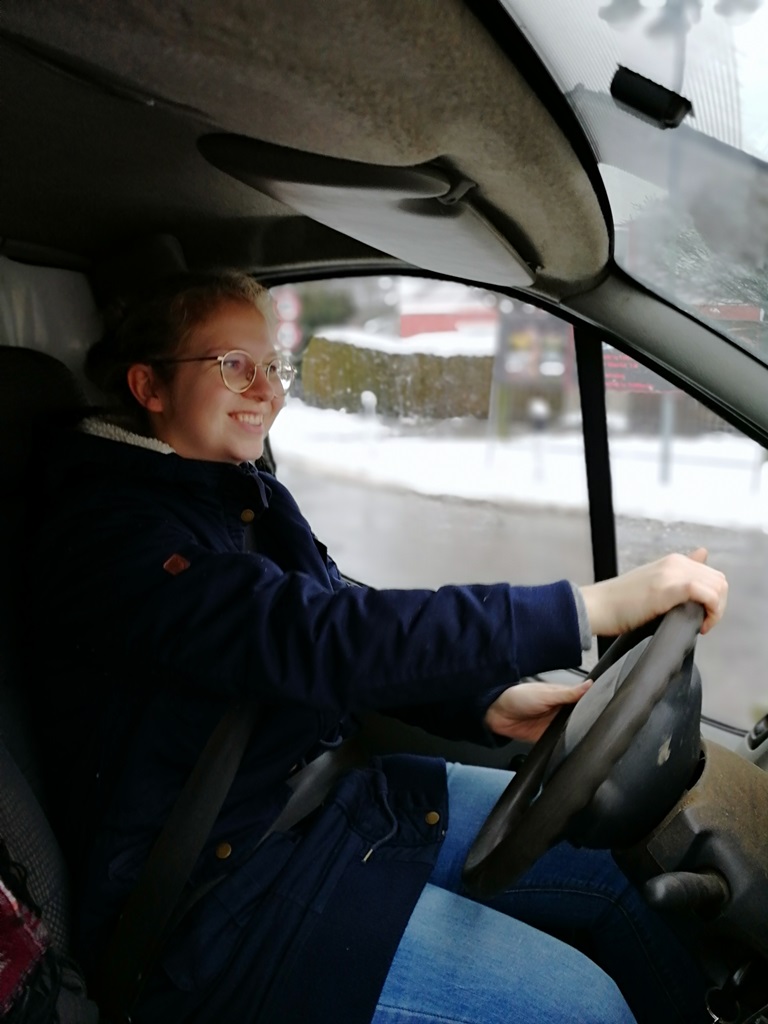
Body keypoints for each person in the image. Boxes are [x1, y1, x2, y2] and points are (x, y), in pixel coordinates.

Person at [31, 271, 728, 1024]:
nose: (266, 390)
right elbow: (316, 637)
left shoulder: (240, 492)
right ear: (149, 386)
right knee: (586, 1009)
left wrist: (485, 702)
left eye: (274, 366)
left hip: (328, 808)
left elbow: (344, 615)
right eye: (234, 365)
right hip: (217, 909)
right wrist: (584, 608)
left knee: (617, 864)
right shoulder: (108, 536)